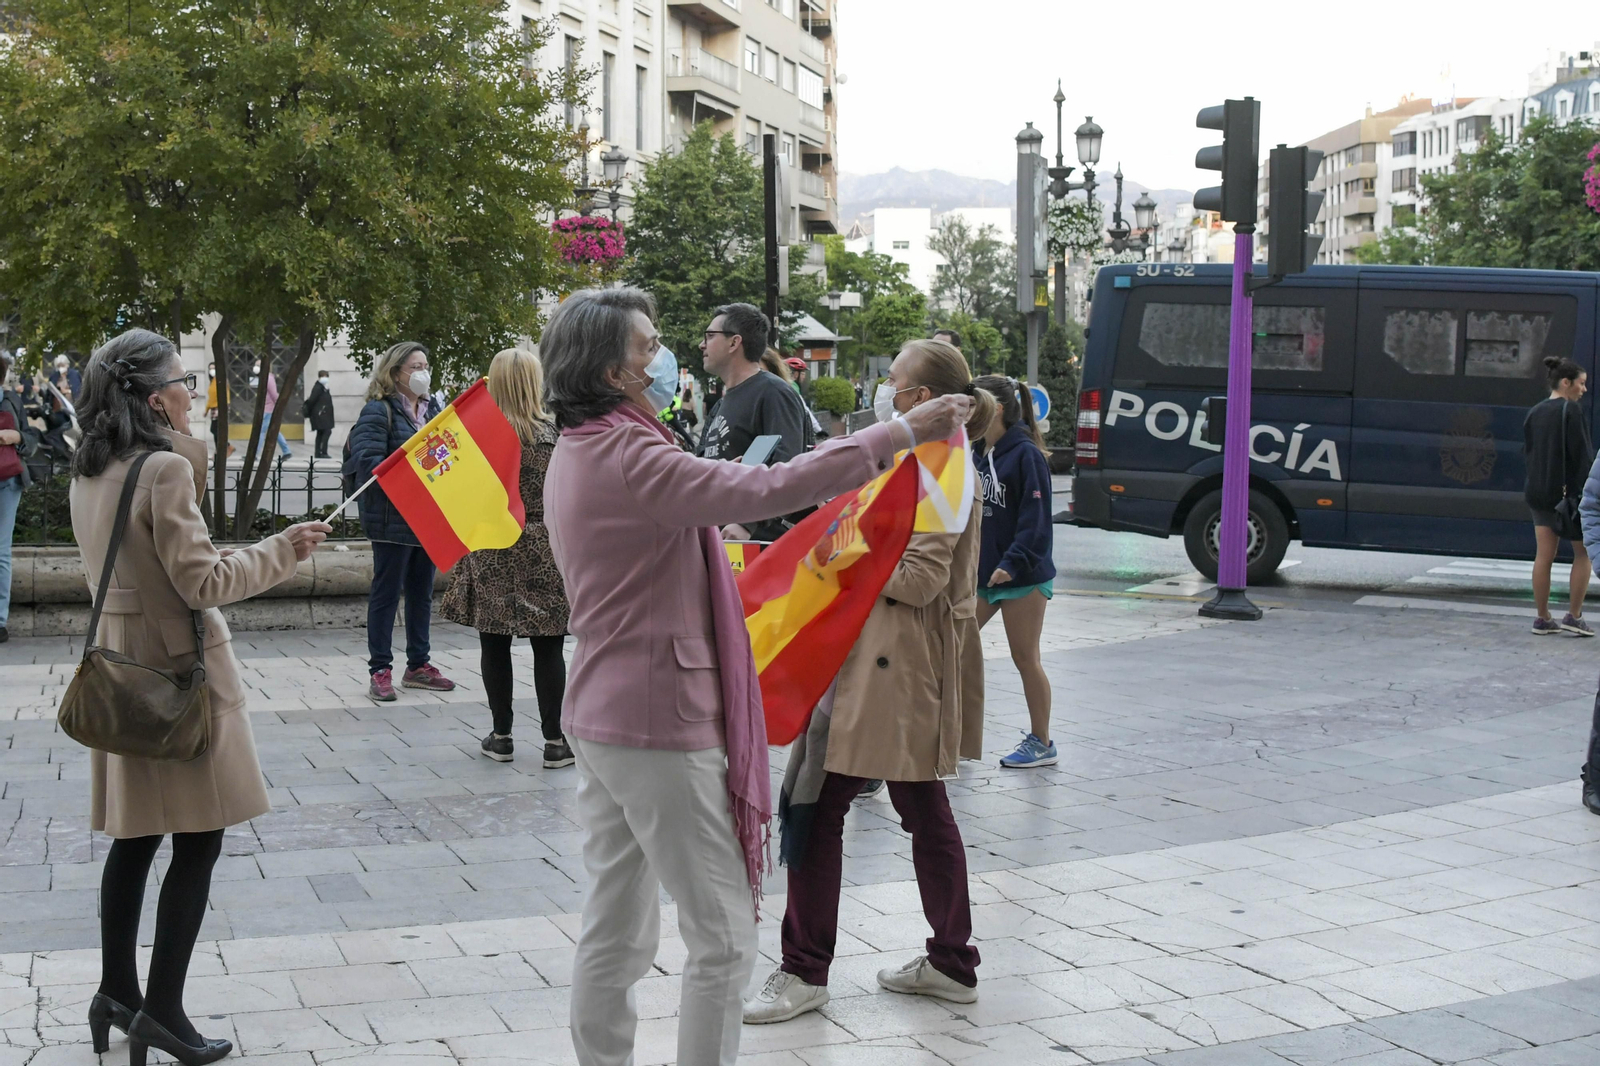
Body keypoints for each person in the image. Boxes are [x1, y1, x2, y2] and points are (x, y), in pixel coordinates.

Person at [541, 287, 971, 1066]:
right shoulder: (630, 454)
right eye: (646, 347)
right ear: (609, 371)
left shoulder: (584, 446)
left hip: (607, 709)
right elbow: (766, 488)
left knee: (616, 925)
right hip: (656, 717)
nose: (662, 358)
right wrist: (899, 432)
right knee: (724, 935)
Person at [68, 329, 329, 1066]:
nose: (195, 393)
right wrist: (282, 550)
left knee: (136, 837)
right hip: (179, 675)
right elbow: (202, 583)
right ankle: (163, 1010)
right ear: (157, 398)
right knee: (200, 837)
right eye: (185, 381)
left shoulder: (92, 467)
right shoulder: (163, 470)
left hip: (122, 671)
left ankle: (116, 993)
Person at [744, 338, 993, 1025]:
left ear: (922, 398)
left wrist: (839, 556)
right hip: (879, 665)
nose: (885, 391)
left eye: (895, 381)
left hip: (891, 667)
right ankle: (950, 961)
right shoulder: (927, 460)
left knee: (815, 809)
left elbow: (920, 579)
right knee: (917, 811)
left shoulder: (943, 469)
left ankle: (805, 970)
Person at [440, 349, 573, 768]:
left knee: (493, 643)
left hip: (491, 545)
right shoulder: (555, 438)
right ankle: (555, 741)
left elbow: (460, 498)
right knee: (548, 646)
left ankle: (501, 737)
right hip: (541, 548)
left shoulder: (476, 439)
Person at [346, 342, 457, 701]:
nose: (423, 373)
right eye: (415, 367)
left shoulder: (434, 410)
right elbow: (368, 463)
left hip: (426, 519)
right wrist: (412, 470)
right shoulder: (379, 411)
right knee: (387, 594)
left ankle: (418, 665)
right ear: (395, 373)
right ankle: (380, 669)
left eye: (425, 365)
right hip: (392, 521)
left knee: (421, 594)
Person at [972, 375, 1058, 768]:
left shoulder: (1026, 455)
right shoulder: (978, 451)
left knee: (1025, 657)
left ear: (997, 409)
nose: (967, 412)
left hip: (1022, 576)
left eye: (974, 404)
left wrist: (1012, 562)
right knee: (949, 647)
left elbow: (1036, 521)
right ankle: (954, 733)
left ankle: (1042, 742)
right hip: (984, 575)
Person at [696, 304, 813, 543]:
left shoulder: (773, 393)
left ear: (734, 342)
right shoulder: (721, 405)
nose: (702, 344)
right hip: (720, 542)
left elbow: (786, 468)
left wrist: (747, 524)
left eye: (710, 336)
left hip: (760, 545)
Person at [1523, 355, 1592, 636]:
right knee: (1583, 553)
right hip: (1570, 495)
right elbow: (1583, 457)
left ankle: (1542, 618)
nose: (1584, 389)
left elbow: (1529, 453)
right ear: (1566, 382)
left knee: (1544, 556)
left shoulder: (1534, 412)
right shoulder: (1571, 411)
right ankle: (1574, 616)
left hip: (1538, 492)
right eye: (1581, 383)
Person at [0, 350, 41, 644]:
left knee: (1, 551)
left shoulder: (11, 400)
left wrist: (17, 438)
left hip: (8, 480)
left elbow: (31, 438)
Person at [256, 358, 292, 461]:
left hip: (268, 409)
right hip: (266, 408)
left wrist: (279, 406)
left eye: (258, 366)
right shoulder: (264, 378)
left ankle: (254, 454)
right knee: (275, 431)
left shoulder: (268, 378)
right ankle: (287, 451)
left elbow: (273, 394)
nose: (256, 368)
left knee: (261, 431)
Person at [303, 370, 336, 460]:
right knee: (326, 431)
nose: (326, 378)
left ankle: (319, 452)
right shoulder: (318, 387)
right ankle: (322, 451)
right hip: (320, 414)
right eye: (324, 376)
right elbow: (312, 400)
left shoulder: (324, 387)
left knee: (321, 432)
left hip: (323, 414)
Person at [202, 367, 234, 459]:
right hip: (215, 407)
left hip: (219, 407)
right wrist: (207, 410)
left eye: (213, 368)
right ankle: (221, 450)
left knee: (215, 429)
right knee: (216, 430)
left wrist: (206, 410)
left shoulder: (220, 381)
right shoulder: (214, 381)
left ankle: (224, 448)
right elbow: (211, 398)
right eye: (210, 368)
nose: (212, 371)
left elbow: (213, 398)